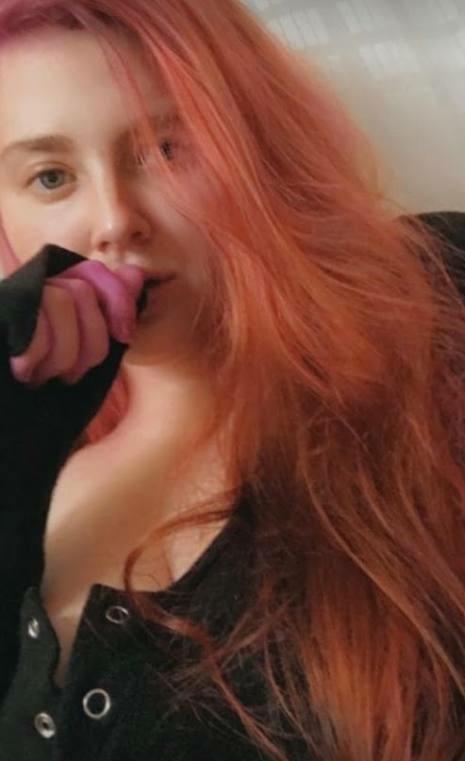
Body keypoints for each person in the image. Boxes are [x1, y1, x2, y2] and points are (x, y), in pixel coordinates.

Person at [0, 1, 464, 759]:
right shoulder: (29, 470)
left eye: (163, 149)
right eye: (51, 176)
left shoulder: (434, 295)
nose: (114, 221)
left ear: (255, 148)